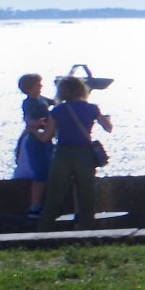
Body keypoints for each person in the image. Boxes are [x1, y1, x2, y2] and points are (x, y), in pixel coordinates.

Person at [37, 79, 111, 230]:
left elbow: (46, 137)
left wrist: (32, 129)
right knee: (87, 194)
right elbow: (108, 128)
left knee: (55, 194)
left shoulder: (58, 110)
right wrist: (107, 119)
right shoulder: (92, 108)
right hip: (84, 154)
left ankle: (43, 229)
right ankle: (86, 230)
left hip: (62, 154)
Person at [14, 73, 55, 215]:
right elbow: (29, 119)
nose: (41, 86)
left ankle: (44, 204)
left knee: (49, 170)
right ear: (29, 87)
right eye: (38, 84)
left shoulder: (42, 99)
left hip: (47, 138)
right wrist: (39, 123)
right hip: (36, 139)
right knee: (41, 173)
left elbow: (57, 102)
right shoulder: (29, 102)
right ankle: (35, 206)